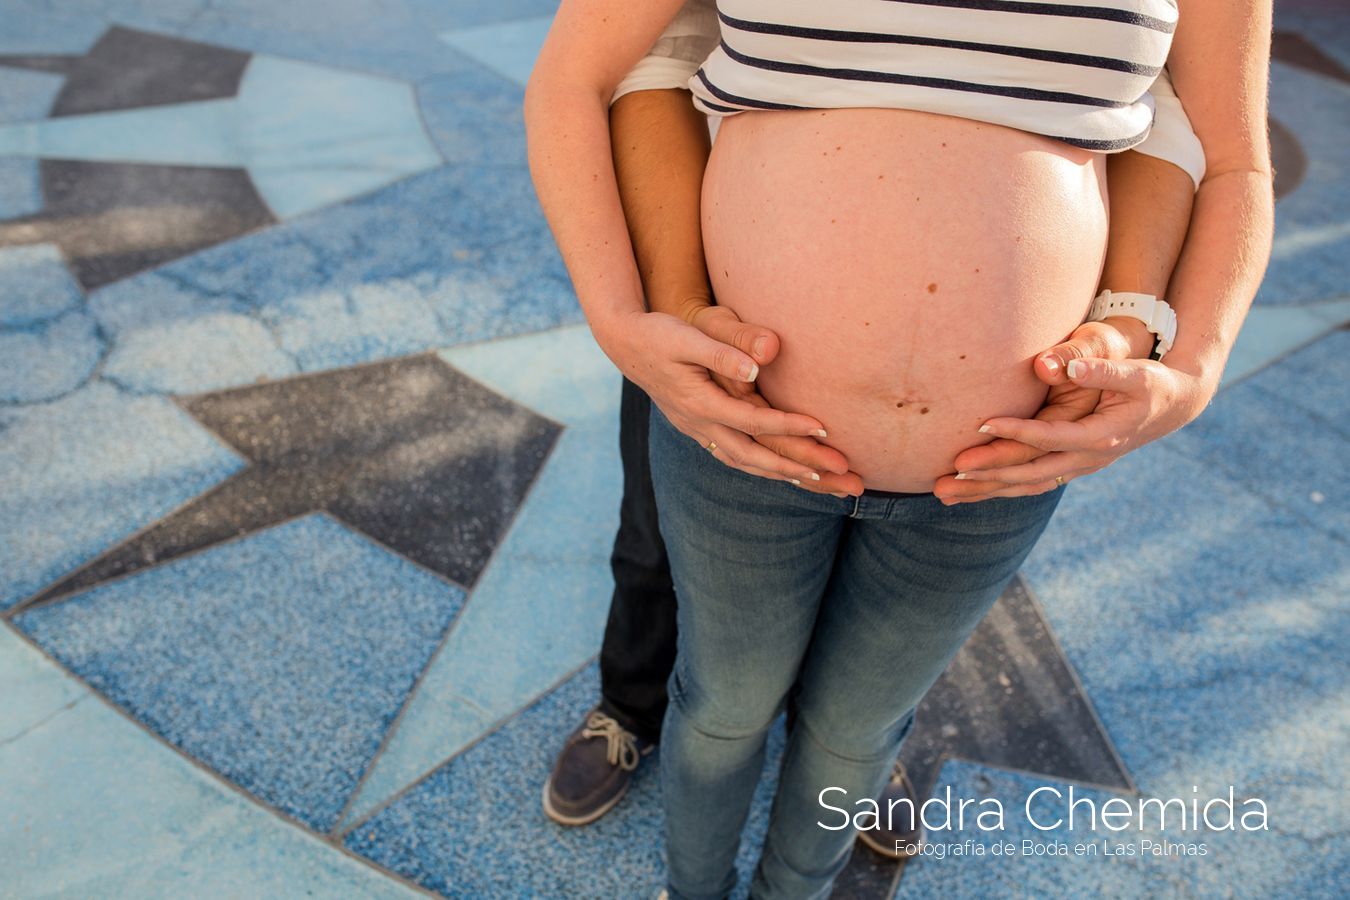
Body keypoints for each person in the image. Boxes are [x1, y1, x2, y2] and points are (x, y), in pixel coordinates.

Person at [525, 1, 1273, 896]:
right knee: (722, 703)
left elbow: (1232, 156)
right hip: (744, 425)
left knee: (858, 728)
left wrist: (1191, 369)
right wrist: (621, 320)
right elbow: (581, 74)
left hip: (993, 468)